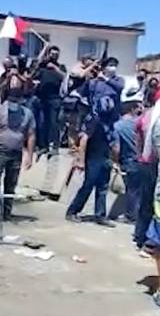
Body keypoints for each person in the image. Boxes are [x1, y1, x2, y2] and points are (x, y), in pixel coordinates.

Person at [66, 67, 123, 226]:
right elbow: (84, 139)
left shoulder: (110, 121)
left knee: (103, 187)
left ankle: (100, 215)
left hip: (105, 156)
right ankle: (73, 211)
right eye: (107, 99)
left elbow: (114, 143)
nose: (109, 103)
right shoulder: (93, 118)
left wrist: (115, 161)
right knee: (88, 185)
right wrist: (80, 160)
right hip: (93, 157)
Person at [0, 79, 36, 221]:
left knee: (11, 183)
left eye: (16, 100)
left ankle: (6, 213)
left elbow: (31, 135)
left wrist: (30, 156)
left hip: (16, 153)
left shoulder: (27, 114)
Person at [107, 102, 142, 222]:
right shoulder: (139, 123)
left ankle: (130, 216)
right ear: (132, 109)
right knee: (139, 190)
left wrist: (115, 162)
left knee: (131, 189)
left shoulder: (117, 126)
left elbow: (116, 148)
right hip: (142, 160)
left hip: (128, 161)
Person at [134, 91, 159, 251]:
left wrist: (140, 156)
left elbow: (138, 137)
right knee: (152, 202)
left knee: (145, 201)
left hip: (145, 161)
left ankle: (141, 235)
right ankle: (148, 239)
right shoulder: (154, 116)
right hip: (153, 163)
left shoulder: (147, 115)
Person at [33, 45, 67, 154]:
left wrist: (55, 68)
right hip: (42, 98)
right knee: (43, 123)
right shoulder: (42, 66)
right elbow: (35, 65)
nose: (54, 56)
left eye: (56, 54)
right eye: (52, 54)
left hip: (55, 98)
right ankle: (44, 146)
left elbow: (65, 77)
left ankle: (55, 147)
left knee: (54, 123)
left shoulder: (60, 67)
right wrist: (44, 49)